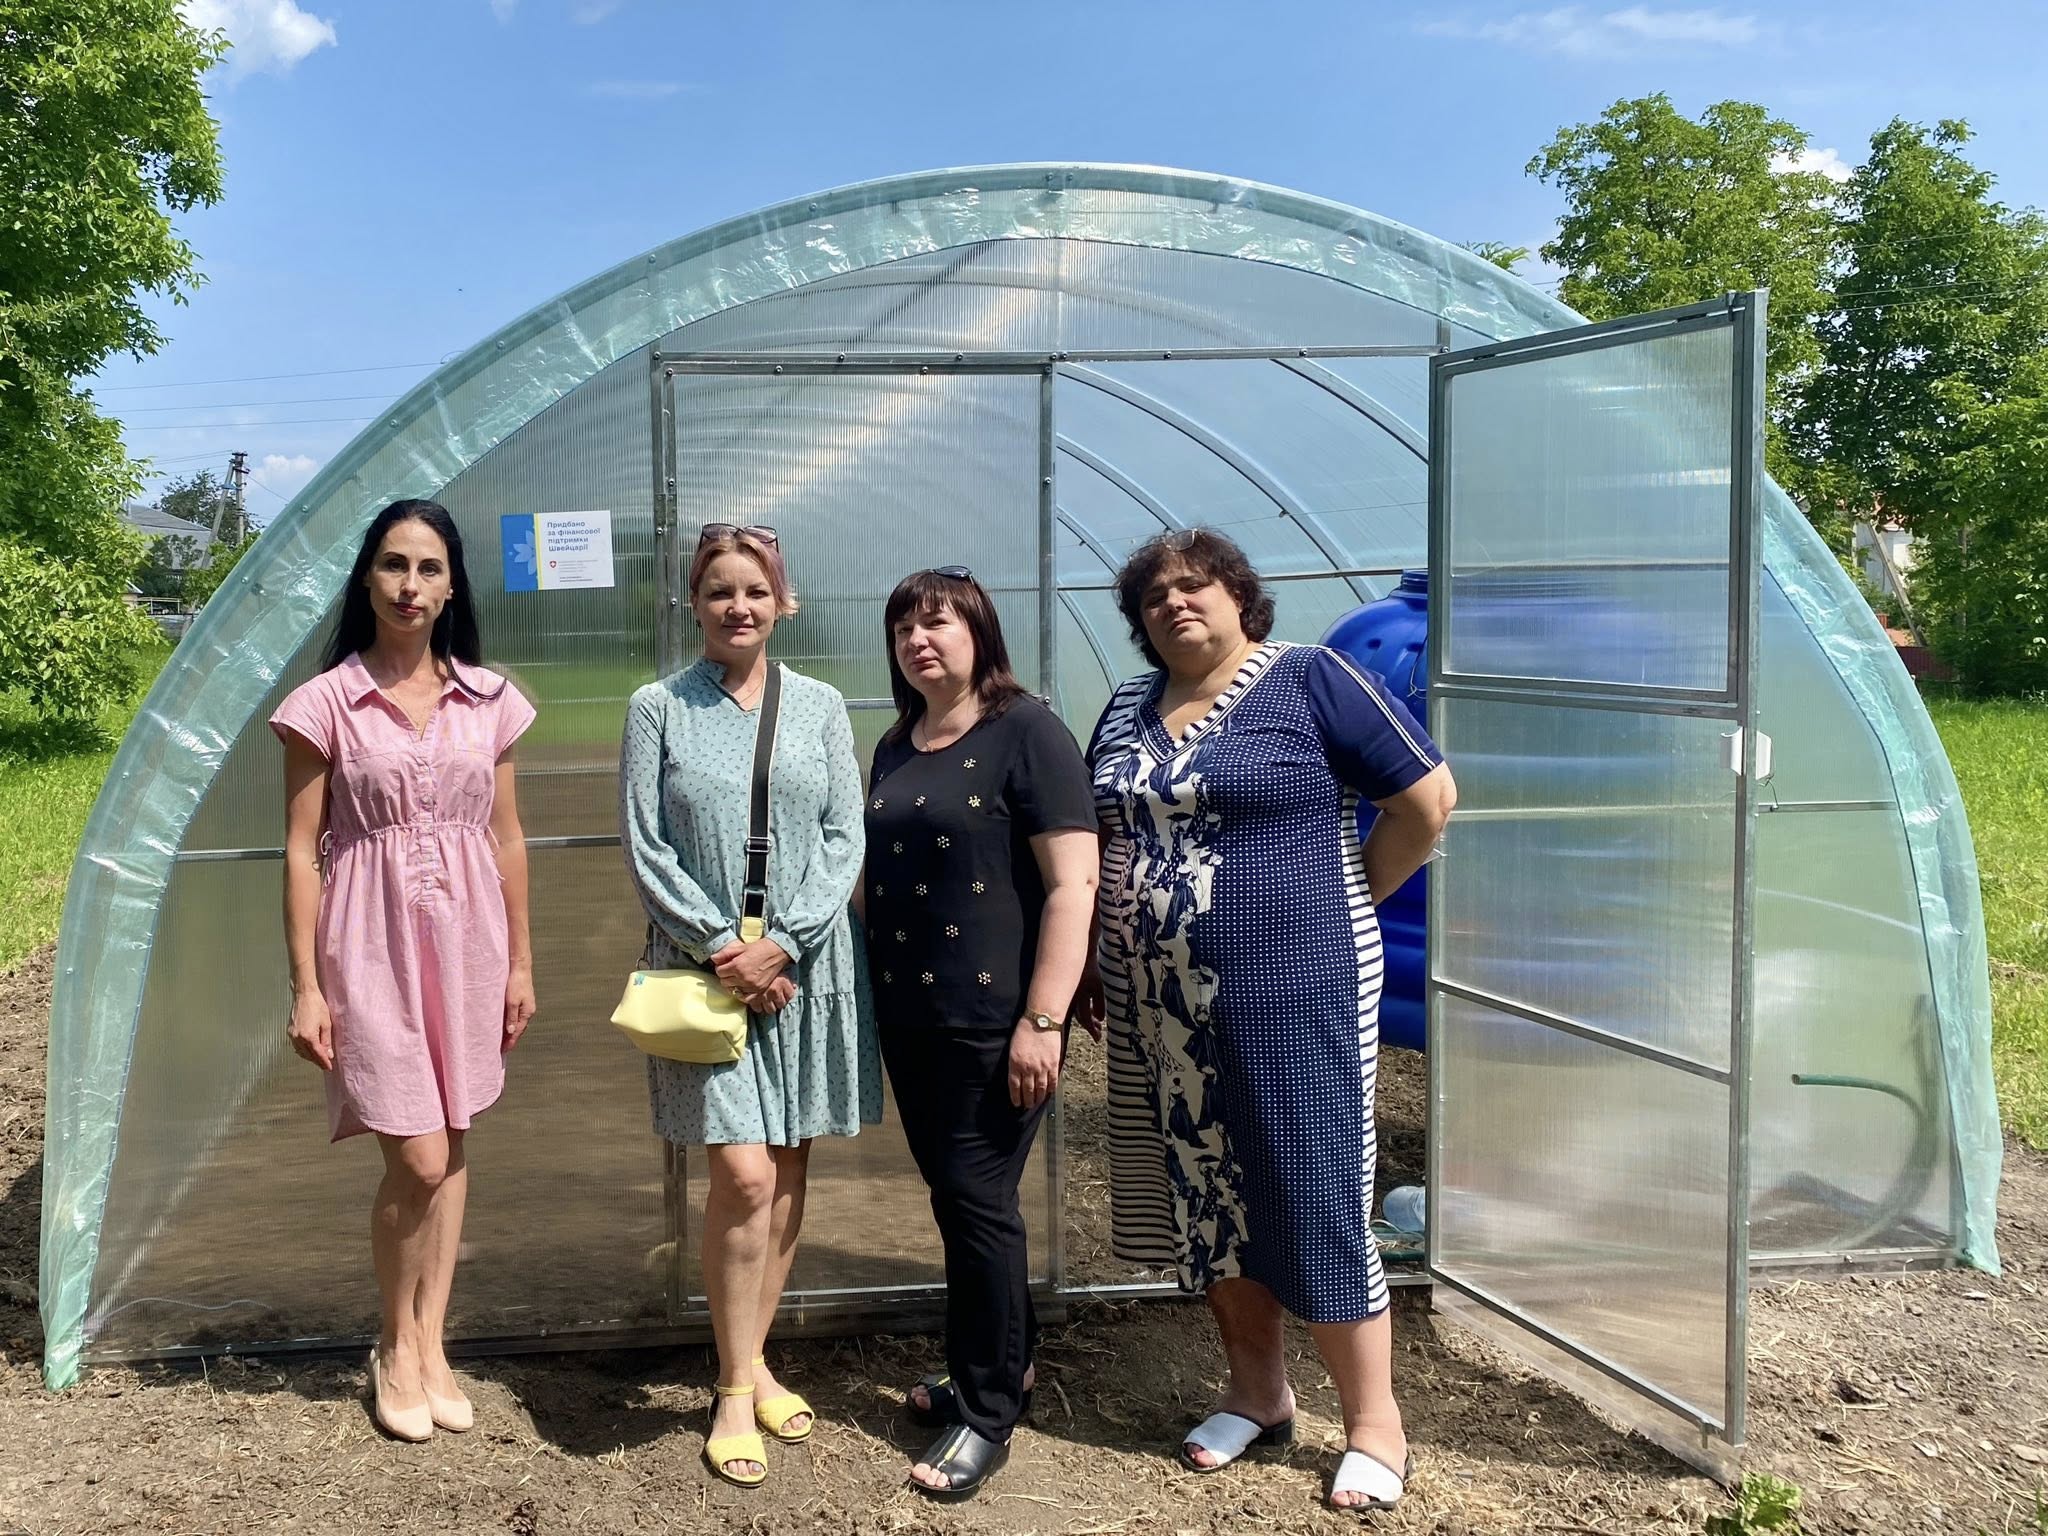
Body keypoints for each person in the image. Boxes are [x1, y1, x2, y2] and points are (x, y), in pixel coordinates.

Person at [1081, 528, 1456, 1514]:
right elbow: (1099, 839)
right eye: (1153, 596)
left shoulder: (1310, 680)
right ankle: (1257, 1394)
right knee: (1208, 1191)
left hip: (1297, 989)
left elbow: (1425, 801)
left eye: (1194, 584)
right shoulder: (1125, 708)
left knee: (1310, 1188)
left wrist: (1341, 901)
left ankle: (1374, 1425)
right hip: (1159, 1004)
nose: (1174, 603)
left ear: (1240, 596)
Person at [270, 499, 537, 1443]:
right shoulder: (324, 704)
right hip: (368, 947)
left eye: (429, 568)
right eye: (393, 564)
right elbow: (301, 852)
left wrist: (521, 962)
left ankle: (432, 1343)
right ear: (366, 578)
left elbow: (506, 838)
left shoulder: (490, 700)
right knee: (417, 1155)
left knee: (454, 1143)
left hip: (470, 945)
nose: (409, 585)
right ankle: (393, 1341)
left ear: (453, 585)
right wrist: (306, 985)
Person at [618, 523, 878, 1489]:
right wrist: (725, 947)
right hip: (706, 976)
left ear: (784, 603)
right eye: (719, 590)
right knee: (744, 1175)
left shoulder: (819, 707)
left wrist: (786, 942)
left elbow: (844, 835)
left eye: (756, 591)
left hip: (806, 970)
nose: (739, 606)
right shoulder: (657, 708)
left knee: (789, 1165)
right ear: (693, 604)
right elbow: (647, 844)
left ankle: (755, 1359)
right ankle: (734, 1390)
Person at [863, 567, 1099, 1501]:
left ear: (980, 635)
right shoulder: (897, 743)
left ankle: (989, 1410)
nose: (919, 641)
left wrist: (1044, 1018)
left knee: (976, 1201)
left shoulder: (1027, 731)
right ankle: (1002, 1363)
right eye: (904, 630)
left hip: (995, 1022)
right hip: (910, 1017)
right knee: (963, 1202)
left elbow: (1073, 885)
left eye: (938, 624)